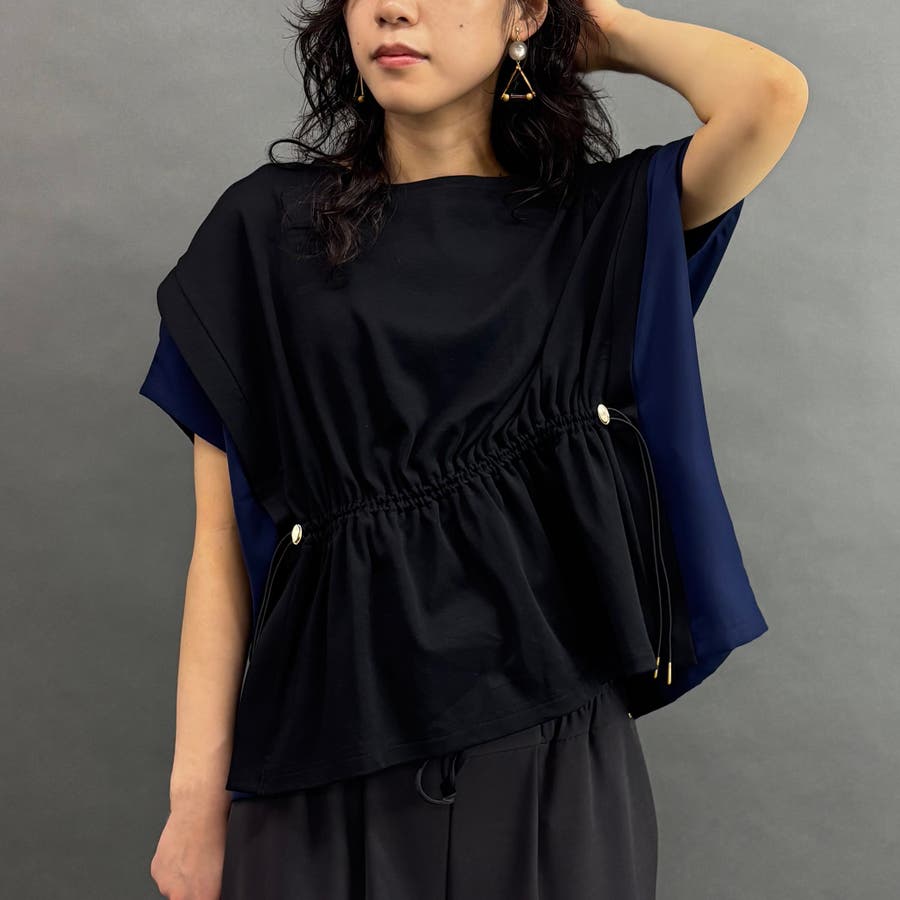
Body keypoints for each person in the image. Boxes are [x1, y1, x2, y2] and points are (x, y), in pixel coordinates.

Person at [140, 1, 806, 897]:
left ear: (522, 11)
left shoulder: (596, 226)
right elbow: (219, 547)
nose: (393, 8)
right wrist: (194, 802)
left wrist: (593, 29)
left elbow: (768, 95)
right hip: (319, 762)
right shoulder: (264, 230)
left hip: (553, 758)